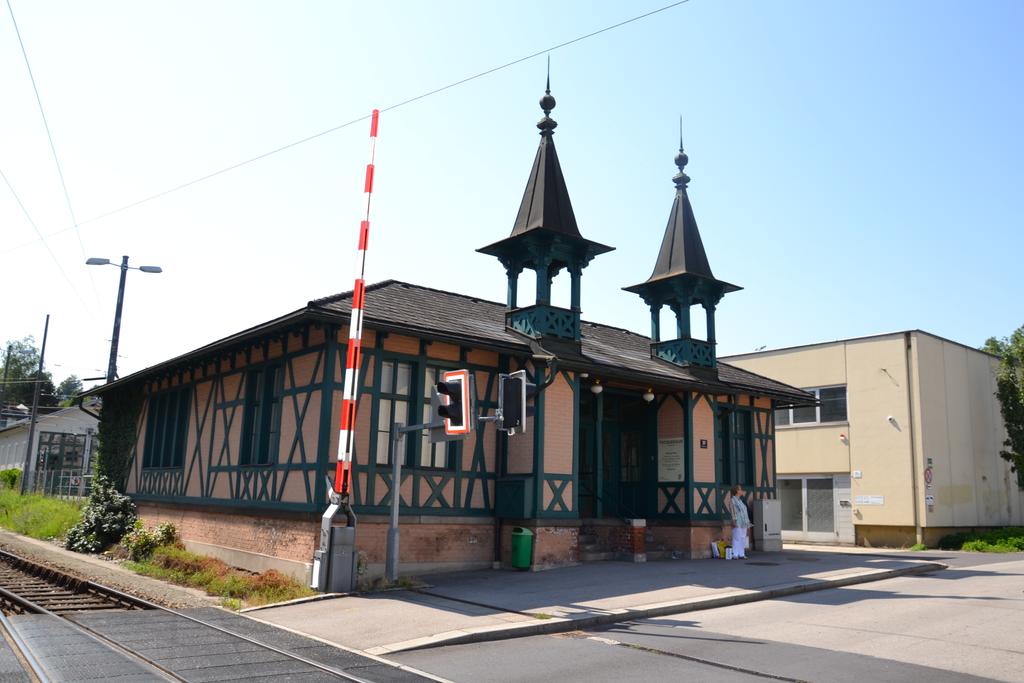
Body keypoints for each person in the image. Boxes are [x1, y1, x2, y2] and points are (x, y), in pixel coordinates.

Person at [728, 484, 751, 559]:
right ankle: (735, 554)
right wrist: (734, 520)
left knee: (743, 538)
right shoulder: (732, 500)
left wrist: (747, 522)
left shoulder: (740, 501)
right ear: (737, 491)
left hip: (743, 522)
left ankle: (741, 553)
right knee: (736, 538)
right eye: (740, 489)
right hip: (737, 521)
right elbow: (733, 511)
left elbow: (744, 512)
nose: (742, 491)